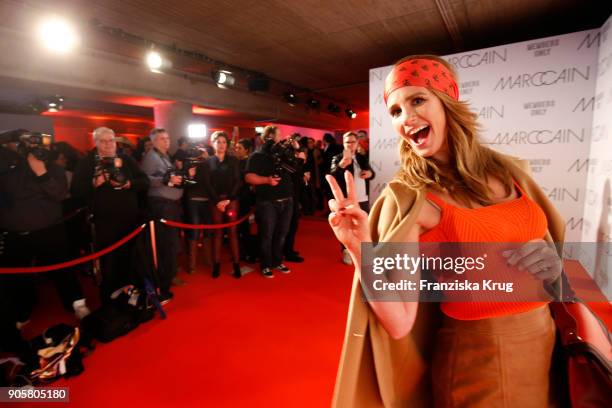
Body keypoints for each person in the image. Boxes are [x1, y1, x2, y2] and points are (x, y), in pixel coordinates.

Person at [327, 55, 565, 407]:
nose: (406, 118)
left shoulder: (510, 171)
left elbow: (550, 262)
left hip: (545, 342)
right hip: (479, 362)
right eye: (395, 111)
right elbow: (399, 323)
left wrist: (554, 267)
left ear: (448, 102)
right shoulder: (413, 198)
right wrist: (359, 246)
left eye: (417, 100)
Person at [0, 129, 90, 329]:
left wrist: (40, 172)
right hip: (16, 233)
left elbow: (58, 193)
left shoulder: (53, 168)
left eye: (40, 145)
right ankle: (22, 312)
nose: (36, 149)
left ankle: (77, 304)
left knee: (63, 270)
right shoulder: (7, 170)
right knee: (17, 277)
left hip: (49, 230)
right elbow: (11, 195)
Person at [71, 127, 150, 302]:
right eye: (103, 141)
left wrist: (129, 183)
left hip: (129, 218)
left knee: (130, 257)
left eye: (111, 140)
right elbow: (75, 191)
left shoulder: (126, 159)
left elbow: (145, 182)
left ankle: (131, 294)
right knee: (109, 262)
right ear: (96, 143)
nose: (108, 145)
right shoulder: (87, 162)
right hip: (103, 221)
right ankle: (111, 299)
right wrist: (95, 182)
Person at [141, 128, 193, 303]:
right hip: (161, 206)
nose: (166, 141)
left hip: (170, 205)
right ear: (153, 141)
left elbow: (168, 178)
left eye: (167, 138)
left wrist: (179, 177)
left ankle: (169, 276)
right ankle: (163, 284)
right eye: (162, 139)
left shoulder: (164, 156)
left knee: (172, 244)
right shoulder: (151, 157)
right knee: (166, 245)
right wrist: (166, 180)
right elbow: (145, 179)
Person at [245, 126, 293, 278]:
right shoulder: (257, 156)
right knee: (266, 235)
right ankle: (266, 264)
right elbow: (248, 177)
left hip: (287, 199)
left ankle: (277, 261)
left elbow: (293, 169)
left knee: (282, 234)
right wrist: (267, 180)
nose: (281, 138)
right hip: (267, 202)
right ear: (269, 138)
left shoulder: (283, 154)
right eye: (278, 136)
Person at [330, 131, 375, 265]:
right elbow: (332, 173)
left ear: (357, 143)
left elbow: (371, 172)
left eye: (352, 142)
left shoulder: (361, 157)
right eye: (347, 142)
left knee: (365, 223)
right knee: (346, 225)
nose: (350, 144)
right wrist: (342, 164)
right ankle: (346, 251)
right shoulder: (337, 157)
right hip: (346, 198)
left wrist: (369, 173)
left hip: (363, 197)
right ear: (343, 143)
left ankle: (365, 249)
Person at [203, 131, 241, 278]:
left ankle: (237, 265)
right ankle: (216, 265)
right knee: (218, 234)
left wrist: (228, 200)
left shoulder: (233, 160)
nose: (221, 145)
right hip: (215, 201)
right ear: (213, 144)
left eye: (224, 142)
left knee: (232, 233)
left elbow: (238, 181)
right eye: (218, 142)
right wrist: (218, 201)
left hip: (231, 200)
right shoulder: (208, 162)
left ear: (227, 144)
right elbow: (207, 184)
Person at [235, 138, 257, 263]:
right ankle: (243, 251)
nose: (236, 150)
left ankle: (247, 252)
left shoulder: (247, 163)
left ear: (246, 150)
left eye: (239, 148)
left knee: (244, 227)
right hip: (238, 197)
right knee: (240, 227)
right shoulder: (238, 162)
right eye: (236, 147)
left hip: (244, 198)